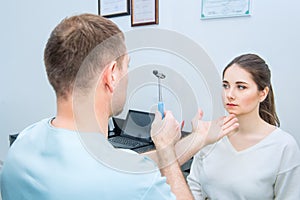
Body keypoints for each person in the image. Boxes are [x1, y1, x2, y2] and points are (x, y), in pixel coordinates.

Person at [0, 14, 238, 200]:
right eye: (127, 66)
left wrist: (197, 139)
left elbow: (126, 167)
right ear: (112, 75)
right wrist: (164, 147)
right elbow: (129, 177)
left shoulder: (23, 144)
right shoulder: (129, 183)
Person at [187, 53, 300, 200]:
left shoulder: (283, 146)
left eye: (241, 87)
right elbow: (194, 187)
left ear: (263, 93)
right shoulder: (211, 136)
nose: (230, 94)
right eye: (226, 86)